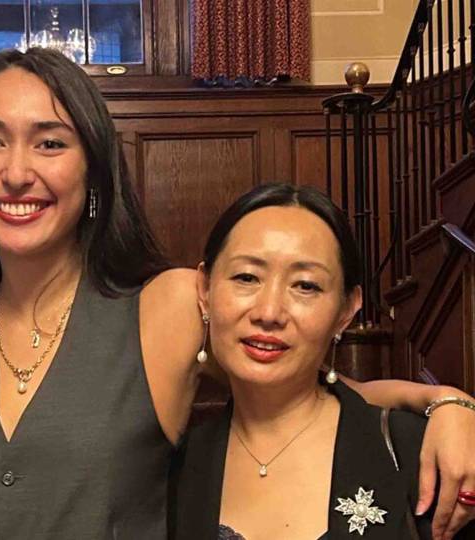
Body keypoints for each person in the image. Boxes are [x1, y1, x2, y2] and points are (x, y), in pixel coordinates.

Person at [0, 48, 475, 540]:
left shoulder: (163, 308)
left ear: (94, 170)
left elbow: (307, 391)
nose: (16, 172)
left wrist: (447, 405)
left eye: (50, 144)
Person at [171, 183, 475, 540]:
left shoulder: (423, 453)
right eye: (246, 277)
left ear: (346, 311)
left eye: (306, 286)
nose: (269, 312)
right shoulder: (172, 467)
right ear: (205, 291)